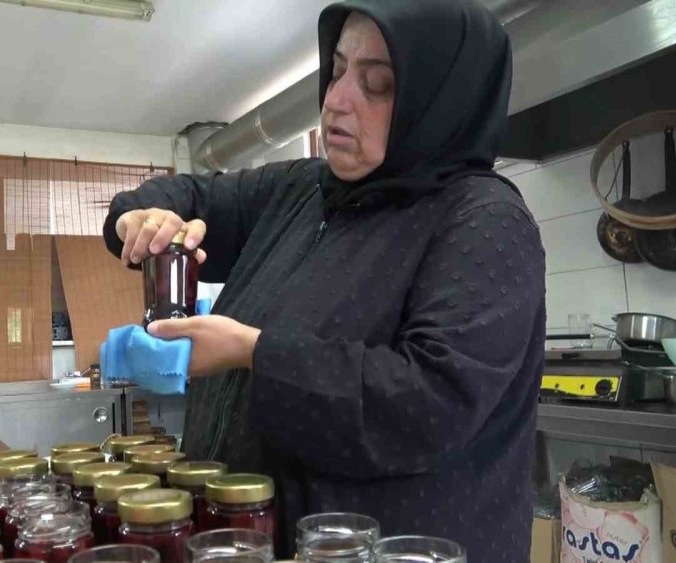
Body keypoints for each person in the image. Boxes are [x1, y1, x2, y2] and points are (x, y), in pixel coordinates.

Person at [102, 0, 545, 560]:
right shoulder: (303, 189)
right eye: (336, 70)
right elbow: (192, 194)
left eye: (377, 84)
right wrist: (136, 220)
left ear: (438, 103)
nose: (335, 100)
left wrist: (254, 353)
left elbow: (430, 402)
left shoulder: (482, 219)